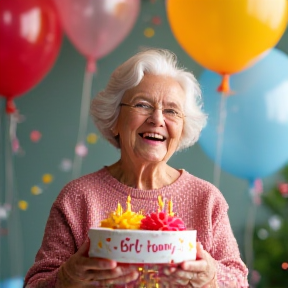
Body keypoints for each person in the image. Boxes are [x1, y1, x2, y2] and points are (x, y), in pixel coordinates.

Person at [24, 48, 249, 288]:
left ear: (183, 128)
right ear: (115, 120)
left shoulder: (206, 199)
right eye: (143, 105)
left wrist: (211, 277)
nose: (157, 119)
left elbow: (238, 279)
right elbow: (36, 283)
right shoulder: (78, 198)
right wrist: (67, 278)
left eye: (171, 111)